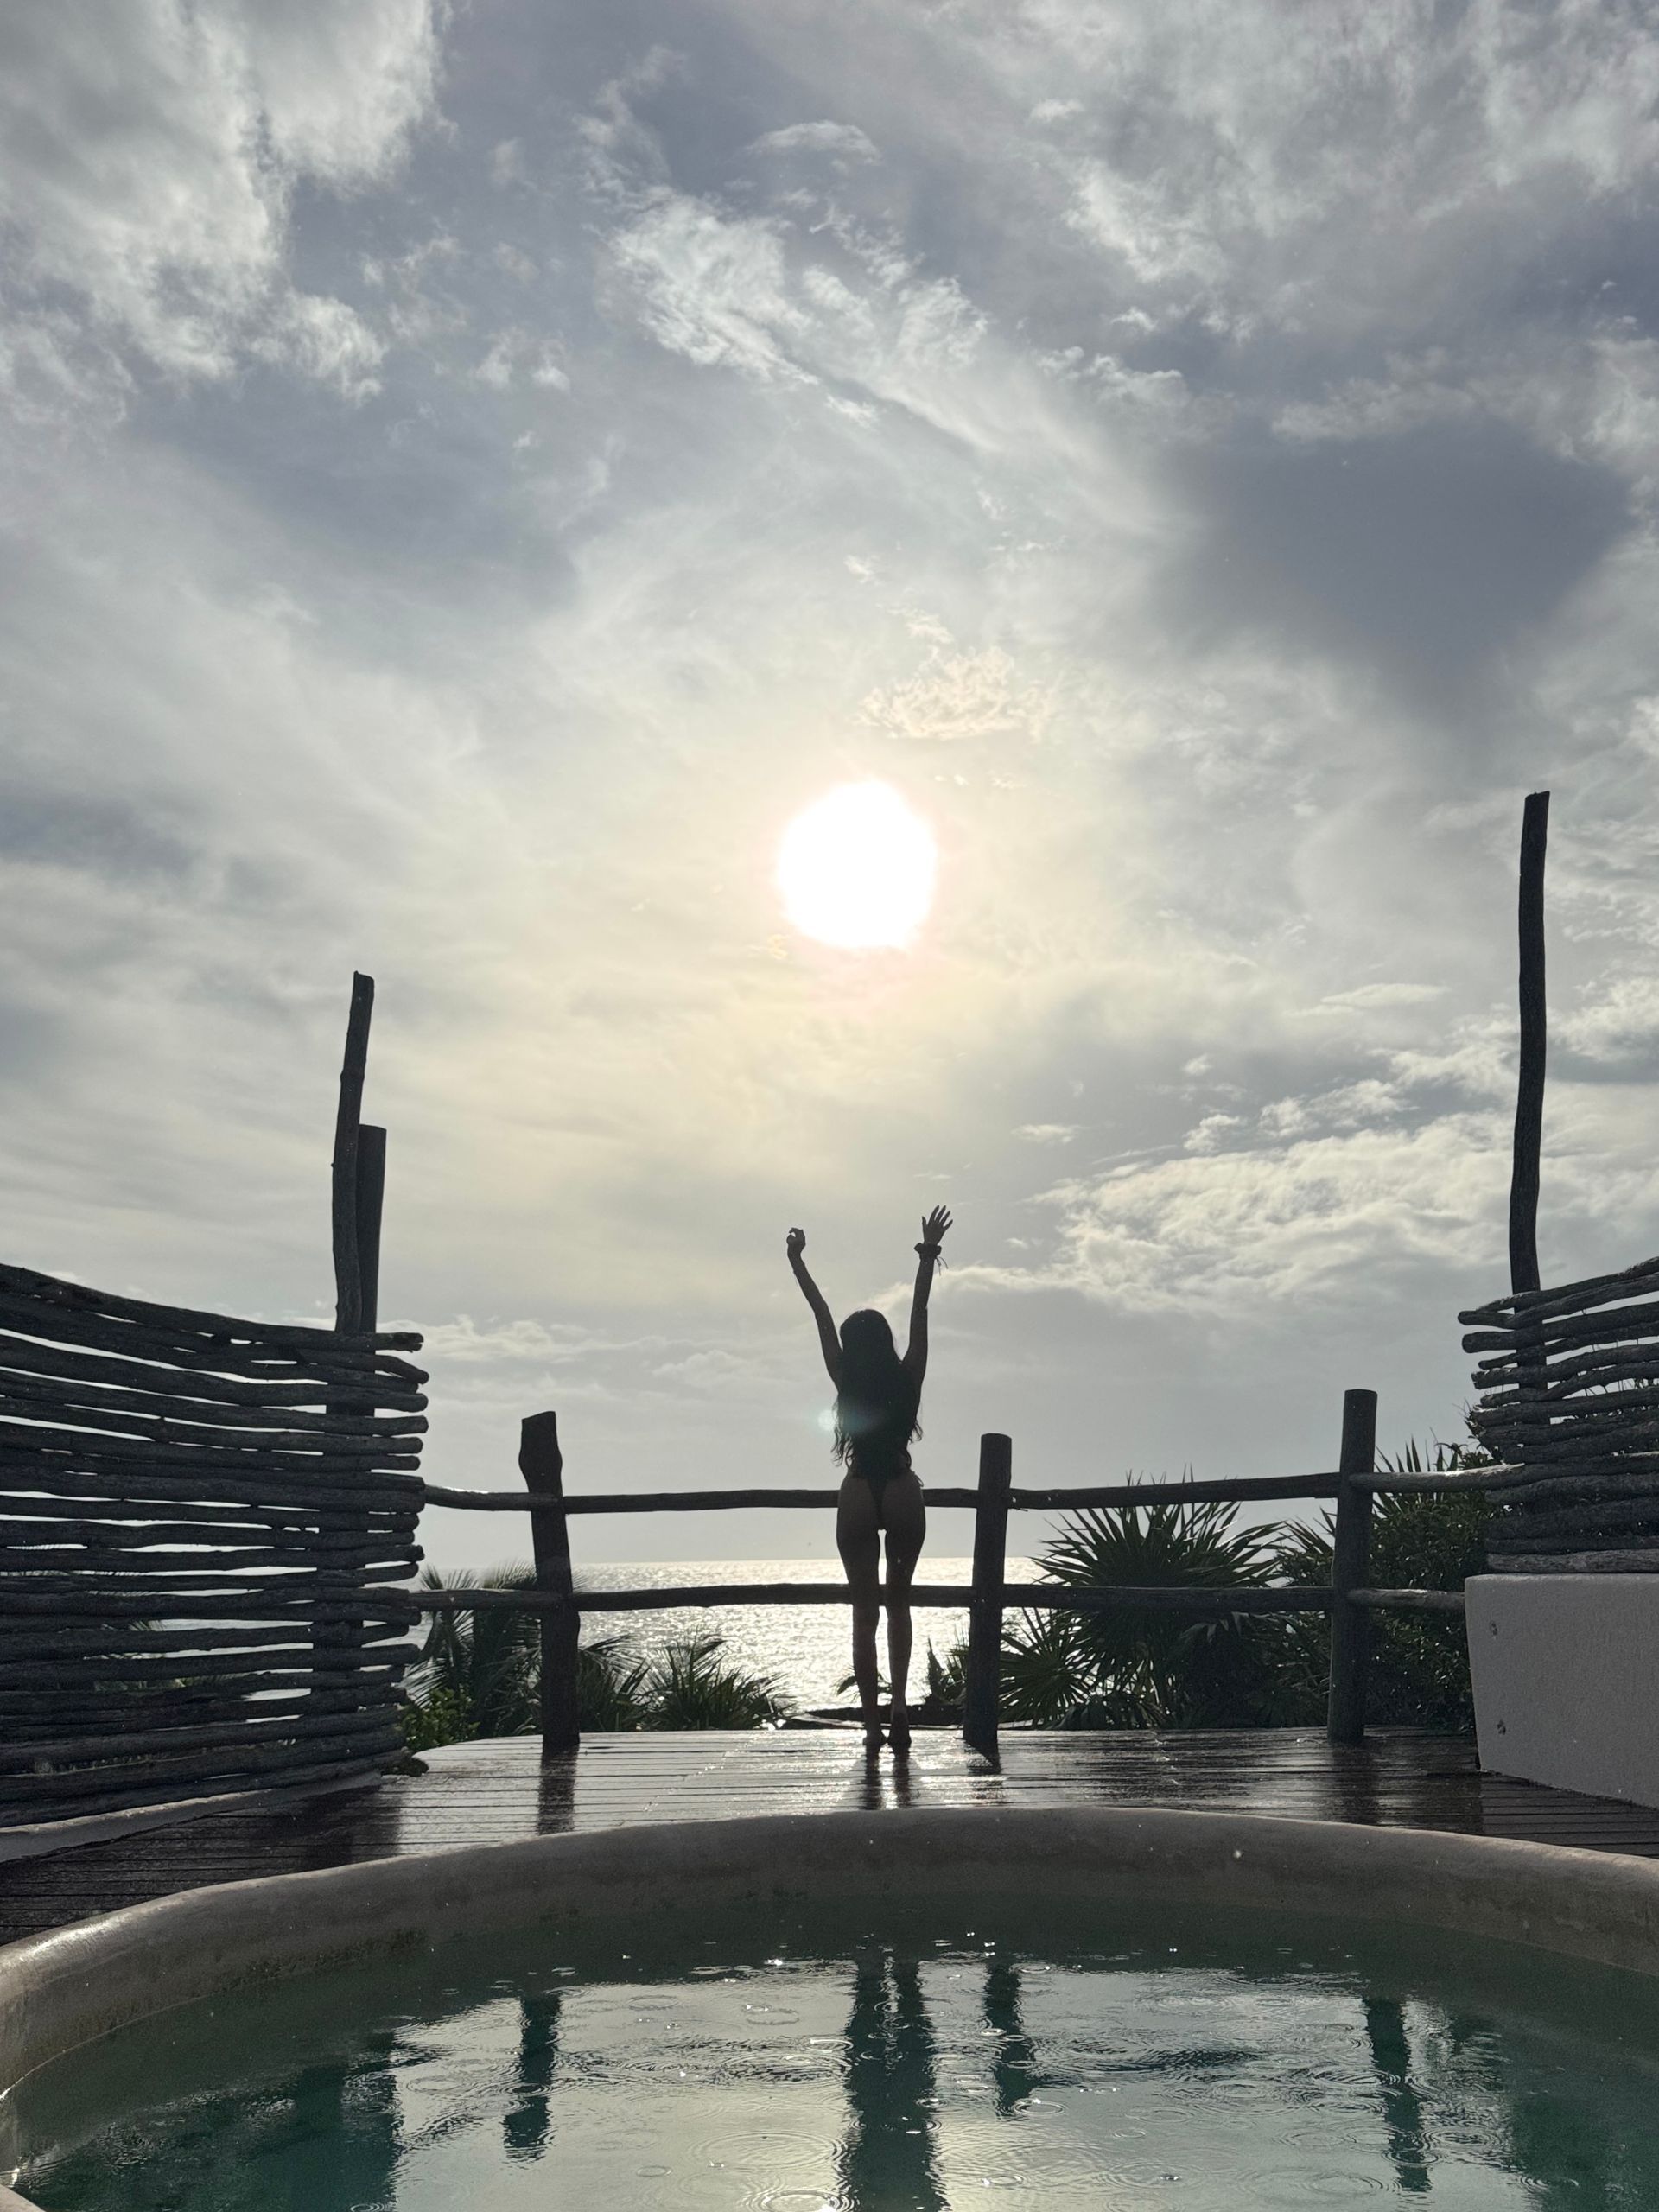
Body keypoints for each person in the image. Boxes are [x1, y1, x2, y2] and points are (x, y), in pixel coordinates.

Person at [786, 1205, 952, 1754]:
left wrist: (797, 1261)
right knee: (899, 1604)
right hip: (902, 1488)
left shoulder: (843, 1374)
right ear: (884, 1342)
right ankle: (901, 1705)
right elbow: (921, 1311)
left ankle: (872, 1724)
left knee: (864, 1612)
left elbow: (821, 1313)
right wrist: (927, 1253)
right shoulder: (910, 1376)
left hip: (857, 1490)